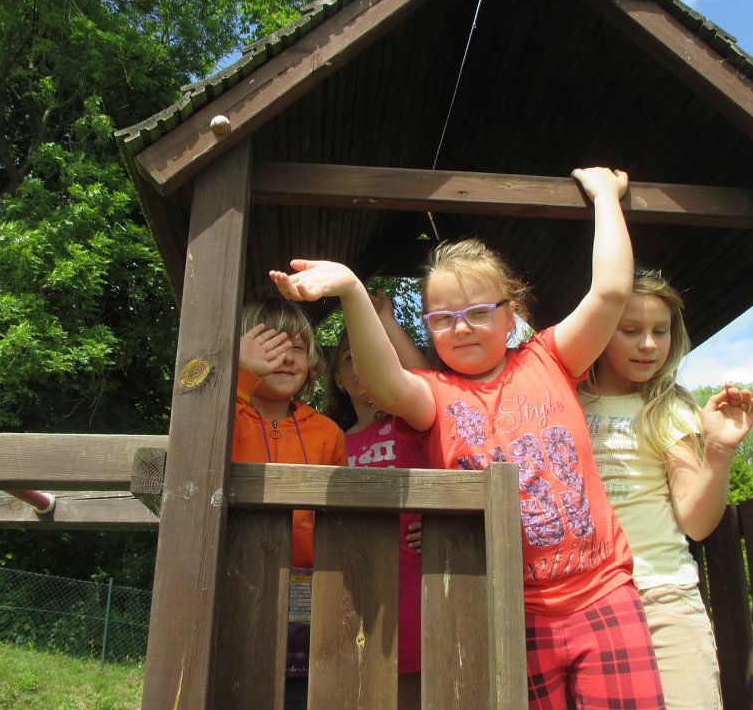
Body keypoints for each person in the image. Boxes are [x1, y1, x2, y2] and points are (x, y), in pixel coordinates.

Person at [271, 167, 667, 709]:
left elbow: (612, 291)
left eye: (479, 312)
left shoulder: (551, 358)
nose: (461, 328)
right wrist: (352, 291)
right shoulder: (433, 396)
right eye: (443, 318)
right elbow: (385, 381)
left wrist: (604, 195)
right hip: (506, 606)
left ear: (510, 316)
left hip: (602, 592)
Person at [577, 268, 753, 710]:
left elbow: (696, 523)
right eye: (630, 330)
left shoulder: (669, 407)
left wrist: (719, 451)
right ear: (599, 328)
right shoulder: (566, 399)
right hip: (583, 601)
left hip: (662, 596)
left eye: (660, 331)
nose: (648, 344)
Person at [235, 298, 348, 710]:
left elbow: (342, 520)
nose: (285, 357)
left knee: (301, 693)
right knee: (233, 678)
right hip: (234, 576)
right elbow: (195, 412)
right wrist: (238, 372)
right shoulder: (223, 415)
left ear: (312, 362)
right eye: (269, 344)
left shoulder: (328, 433)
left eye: (297, 348)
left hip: (310, 591)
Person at [323, 294, 430, 709]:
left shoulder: (412, 421)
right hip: (359, 587)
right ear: (337, 378)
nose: (363, 362)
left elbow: (426, 378)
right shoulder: (333, 441)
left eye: (373, 351)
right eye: (351, 357)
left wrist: (385, 321)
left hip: (420, 578)